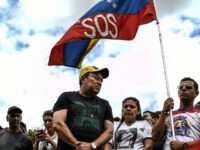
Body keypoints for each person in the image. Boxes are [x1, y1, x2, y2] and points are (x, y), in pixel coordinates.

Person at [52, 66, 113, 150]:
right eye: (96, 78)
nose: (99, 82)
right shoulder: (67, 97)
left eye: (101, 80)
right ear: (83, 79)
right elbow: (58, 124)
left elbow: (109, 131)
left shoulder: (105, 104)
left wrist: (92, 146)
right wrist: (78, 145)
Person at [152, 77, 200, 150]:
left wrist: (184, 145)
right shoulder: (168, 116)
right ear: (178, 92)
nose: (183, 89)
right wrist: (163, 112)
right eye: (181, 87)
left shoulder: (198, 114)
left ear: (196, 93)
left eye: (188, 87)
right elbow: (155, 137)